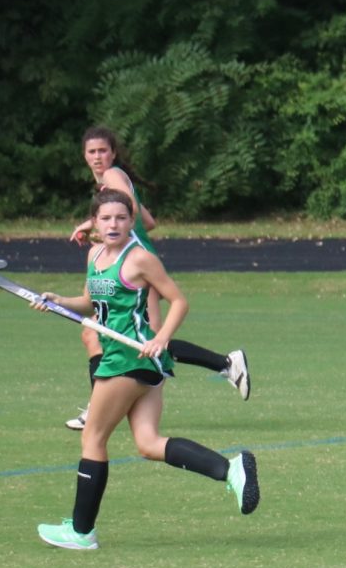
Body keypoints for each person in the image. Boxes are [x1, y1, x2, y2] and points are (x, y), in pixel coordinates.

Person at [33, 188, 260, 550]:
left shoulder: (138, 259)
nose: (113, 224)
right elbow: (91, 303)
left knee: (92, 438)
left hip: (129, 359)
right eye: (106, 218)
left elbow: (179, 301)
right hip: (137, 362)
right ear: (94, 222)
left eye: (121, 218)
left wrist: (162, 337)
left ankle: (81, 531)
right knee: (148, 443)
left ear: (130, 223)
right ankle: (231, 469)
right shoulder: (94, 255)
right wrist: (58, 301)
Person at [65, 125, 250, 431]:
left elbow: (132, 209)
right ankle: (224, 364)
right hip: (130, 263)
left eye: (103, 150)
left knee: (147, 339)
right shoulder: (112, 181)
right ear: (84, 156)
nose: (98, 157)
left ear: (113, 153)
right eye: (91, 152)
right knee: (101, 335)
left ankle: (226, 364)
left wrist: (92, 224)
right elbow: (147, 221)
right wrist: (107, 234)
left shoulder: (112, 176)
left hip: (134, 268)